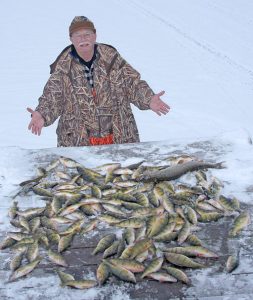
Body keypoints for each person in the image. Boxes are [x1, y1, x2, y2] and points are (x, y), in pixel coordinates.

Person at [27, 16, 170, 147]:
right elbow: (52, 98)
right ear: (71, 38)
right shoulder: (63, 69)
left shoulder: (112, 60)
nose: (83, 39)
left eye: (87, 34)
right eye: (78, 35)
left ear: (95, 36)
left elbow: (133, 84)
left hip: (120, 141)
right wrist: (41, 114)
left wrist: (149, 99)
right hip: (78, 146)